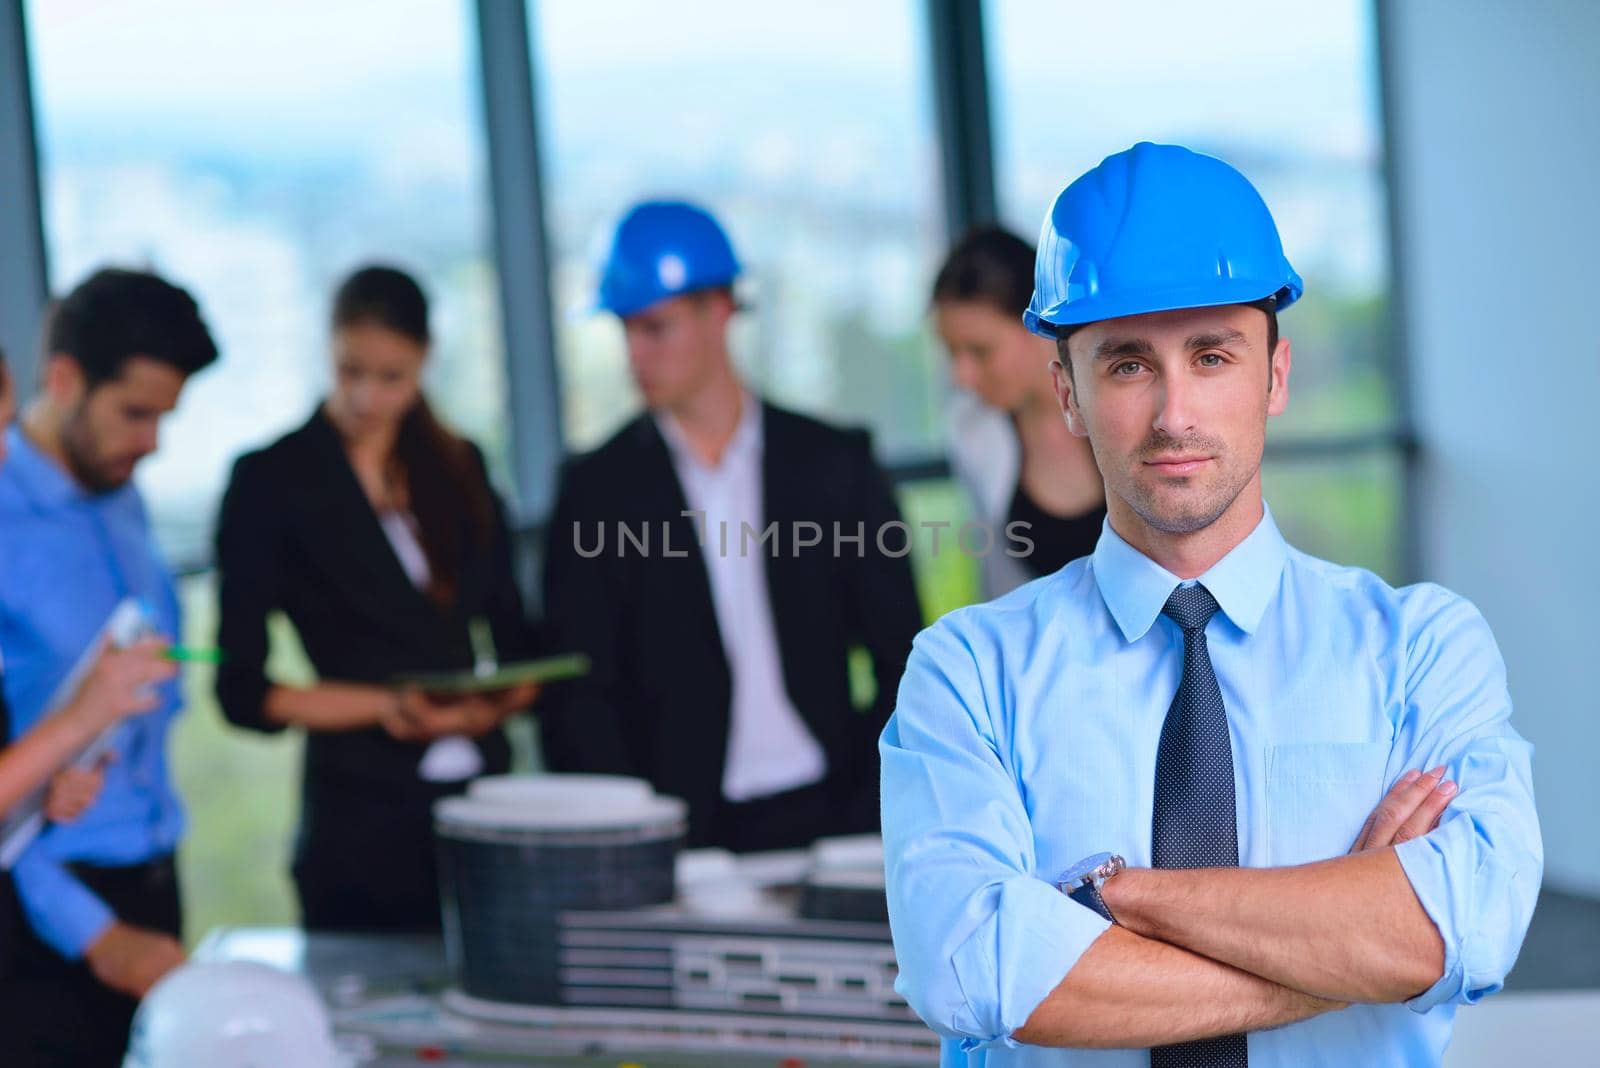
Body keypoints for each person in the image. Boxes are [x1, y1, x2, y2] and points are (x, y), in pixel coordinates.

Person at [881, 142, 1539, 1066]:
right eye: (1126, 366)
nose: (1174, 414)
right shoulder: (967, 673)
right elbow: (974, 971)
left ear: (1274, 376)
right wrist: (1342, 925)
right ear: (1066, 391)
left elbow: (1456, 929)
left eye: (1212, 355)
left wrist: (1120, 898)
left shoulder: (1420, 649)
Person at [541, 200, 923, 852]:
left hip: (836, 816)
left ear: (719, 311)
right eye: (625, 330)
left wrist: (868, 812)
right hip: (677, 834)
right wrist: (637, 839)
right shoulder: (596, 489)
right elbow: (580, 695)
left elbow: (904, 660)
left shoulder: (835, 464)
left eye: (655, 329)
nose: (636, 353)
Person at [214, 265, 538, 932]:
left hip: (483, 806)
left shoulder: (461, 467)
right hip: (359, 821)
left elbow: (519, 639)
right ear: (328, 352)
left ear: (424, 362)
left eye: (391, 377)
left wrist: (495, 701)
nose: (366, 397)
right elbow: (242, 691)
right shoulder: (271, 482)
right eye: (349, 371)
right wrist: (387, 707)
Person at [0, 268, 220, 1066]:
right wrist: (92, 933)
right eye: (134, 413)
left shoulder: (123, 495)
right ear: (63, 380)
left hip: (152, 884)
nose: (152, 442)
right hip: (47, 917)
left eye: (165, 417)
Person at [933, 227, 1105, 597]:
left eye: (980, 351)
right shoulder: (972, 429)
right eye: (952, 353)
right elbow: (995, 586)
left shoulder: (1118, 403)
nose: (961, 375)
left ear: (1038, 323)